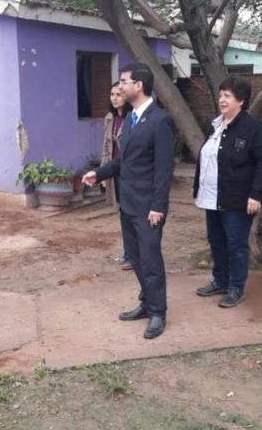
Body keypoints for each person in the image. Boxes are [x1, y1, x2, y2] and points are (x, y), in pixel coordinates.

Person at [83, 62, 175, 340]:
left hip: (148, 207)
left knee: (150, 260)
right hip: (129, 203)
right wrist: (99, 173)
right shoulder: (131, 119)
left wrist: (158, 206)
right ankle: (147, 303)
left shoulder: (160, 121)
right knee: (135, 258)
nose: (120, 86)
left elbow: (164, 169)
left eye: (124, 81)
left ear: (139, 85)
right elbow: (125, 161)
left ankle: (158, 312)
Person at [193, 76, 262, 308]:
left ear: (241, 100)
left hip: (238, 199)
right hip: (212, 197)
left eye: (227, 96)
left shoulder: (254, 129)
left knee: (236, 244)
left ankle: (236, 288)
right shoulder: (215, 126)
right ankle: (220, 280)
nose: (222, 99)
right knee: (216, 240)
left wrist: (256, 194)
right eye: (220, 95)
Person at [101, 82, 134, 271]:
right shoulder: (109, 118)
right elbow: (105, 147)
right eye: (112, 94)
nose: (115, 98)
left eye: (119, 94)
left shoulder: (132, 118)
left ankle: (133, 255)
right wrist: (103, 173)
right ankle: (128, 253)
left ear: (126, 97)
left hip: (130, 173)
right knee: (123, 213)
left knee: (131, 213)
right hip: (115, 172)